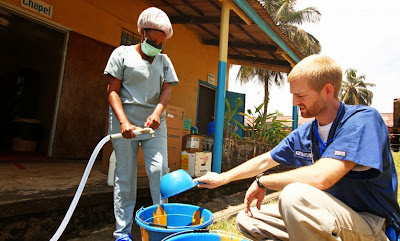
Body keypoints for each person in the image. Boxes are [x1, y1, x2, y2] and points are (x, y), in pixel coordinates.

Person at [195, 55, 400, 241]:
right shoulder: (306, 132)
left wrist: (263, 181)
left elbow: (322, 177)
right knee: (248, 219)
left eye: (300, 96)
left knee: (294, 196)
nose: (294, 103)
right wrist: (223, 178)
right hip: (330, 218)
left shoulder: (361, 120)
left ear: (327, 91)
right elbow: (266, 160)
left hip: (370, 224)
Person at [104, 7, 178, 241]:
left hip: (154, 124)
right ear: (141, 32)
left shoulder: (164, 61)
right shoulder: (121, 54)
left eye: (160, 44)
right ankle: (123, 232)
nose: (155, 47)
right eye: (152, 41)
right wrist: (124, 122)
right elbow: (112, 91)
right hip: (124, 123)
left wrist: (157, 113)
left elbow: (167, 89)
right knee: (125, 176)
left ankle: (161, 226)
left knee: (159, 171)